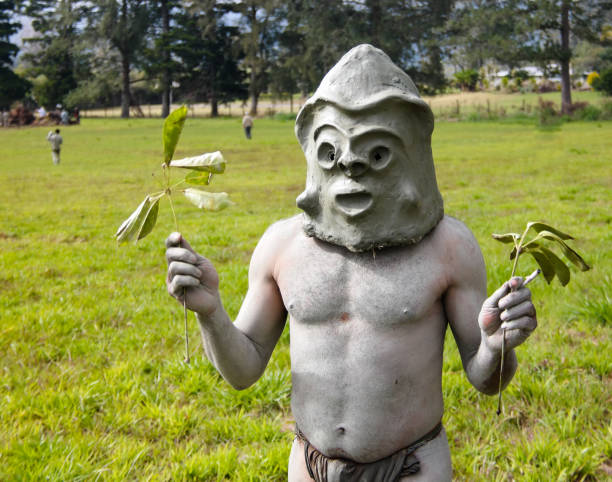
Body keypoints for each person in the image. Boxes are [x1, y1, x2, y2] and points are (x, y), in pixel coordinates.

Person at [165, 45, 537, 481]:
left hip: (413, 467)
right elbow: (243, 371)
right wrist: (211, 313)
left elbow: (486, 380)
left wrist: (497, 346)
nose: (351, 169)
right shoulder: (282, 246)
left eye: (376, 154)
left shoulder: (449, 248)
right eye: (333, 153)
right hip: (310, 465)